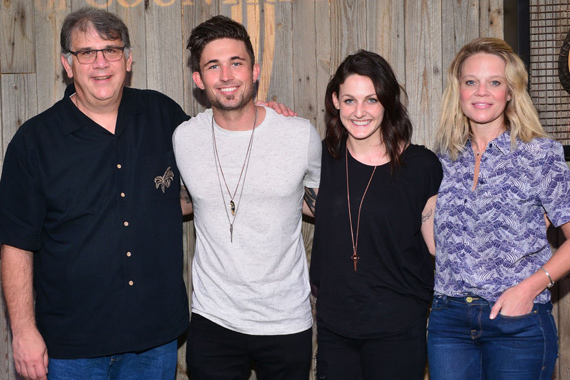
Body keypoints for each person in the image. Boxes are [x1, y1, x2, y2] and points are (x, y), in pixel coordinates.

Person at [0, 7, 290, 380]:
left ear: (129, 59)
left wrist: (258, 112)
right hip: (72, 346)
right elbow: (16, 245)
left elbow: (221, 148)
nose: (101, 62)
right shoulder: (33, 142)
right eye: (86, 52)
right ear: (68, 65)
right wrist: (23, 332)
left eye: (112, 50)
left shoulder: (162, 114)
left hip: (155, 342)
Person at [173, 15, 321, 380]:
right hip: (213, 320)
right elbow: (180, 201)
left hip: (286, 320)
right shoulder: (184, 139)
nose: (226, 76)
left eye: (236, 63)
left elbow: (321, 207)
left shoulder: (298, 135)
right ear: (199, 80)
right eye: (213, 66)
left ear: (254, 70)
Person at [428, 37, 570, 380]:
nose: (481, 92)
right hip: (449, 323)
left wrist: (529, 289)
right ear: (458, 90)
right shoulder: (441, 159)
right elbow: (435, 242)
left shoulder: (540, 155)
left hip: (518, 323)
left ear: (510, 92)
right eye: (471, 82)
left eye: (494, 82)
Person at [309, 50, 442, 380]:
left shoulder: (421, 166)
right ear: (335, 101)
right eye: (350, 100)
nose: (359, 112)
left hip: (398, 327)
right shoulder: (317, 161)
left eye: (371, 100)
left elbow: (439, 246)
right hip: (334, 327)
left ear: (388, 102)